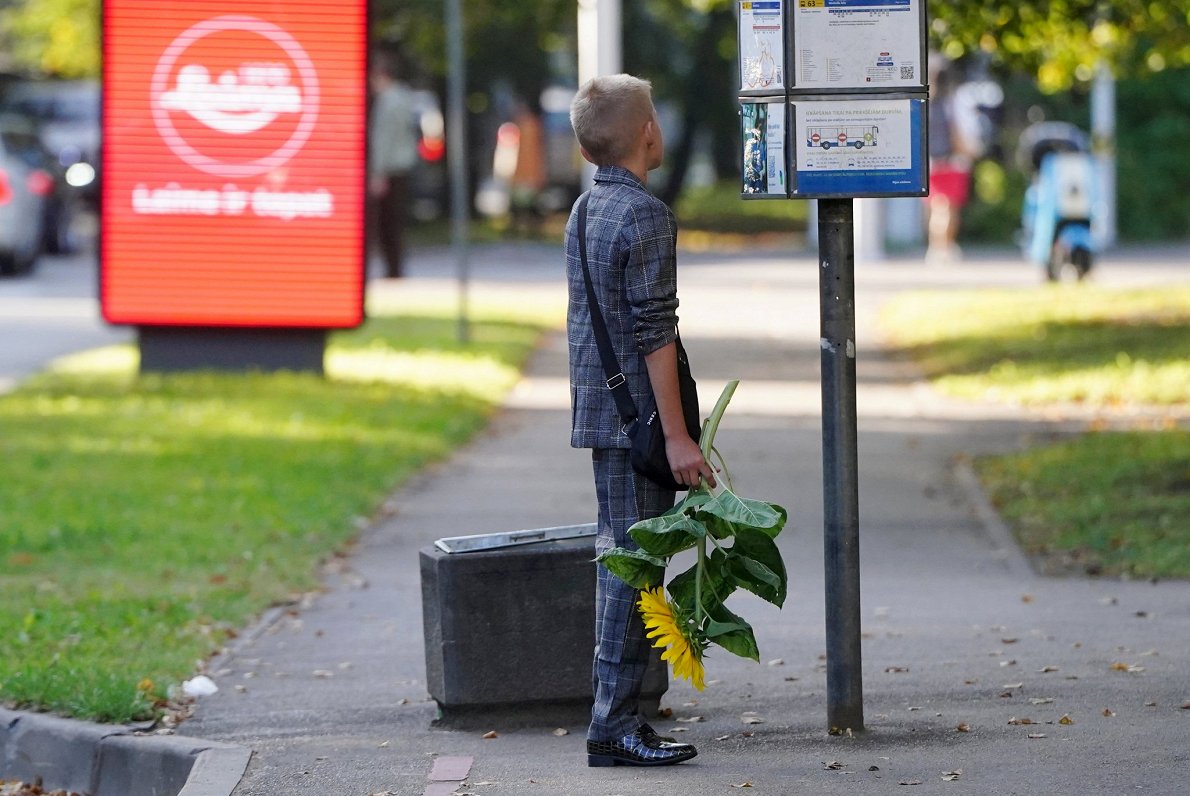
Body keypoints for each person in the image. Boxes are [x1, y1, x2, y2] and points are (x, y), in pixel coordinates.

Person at [565, 74, 716, 768]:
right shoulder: (645, 215)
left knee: (623, 565)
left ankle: (622, 714)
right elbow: (656, 330)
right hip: (641, 425)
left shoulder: (586, 208)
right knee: (630, 570)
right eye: (654, 117)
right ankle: (613, 725)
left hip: (606, 412)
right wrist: (678, 432)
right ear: (647, 134)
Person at [368, 53, 418, 278]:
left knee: (387, 223)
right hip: (403, 166)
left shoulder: (388, 102)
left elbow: (383, 138)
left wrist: (377, 172)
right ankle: (395, 268)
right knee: (395, 222)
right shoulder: (405, 97)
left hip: (389, 168)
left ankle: (393, 270)